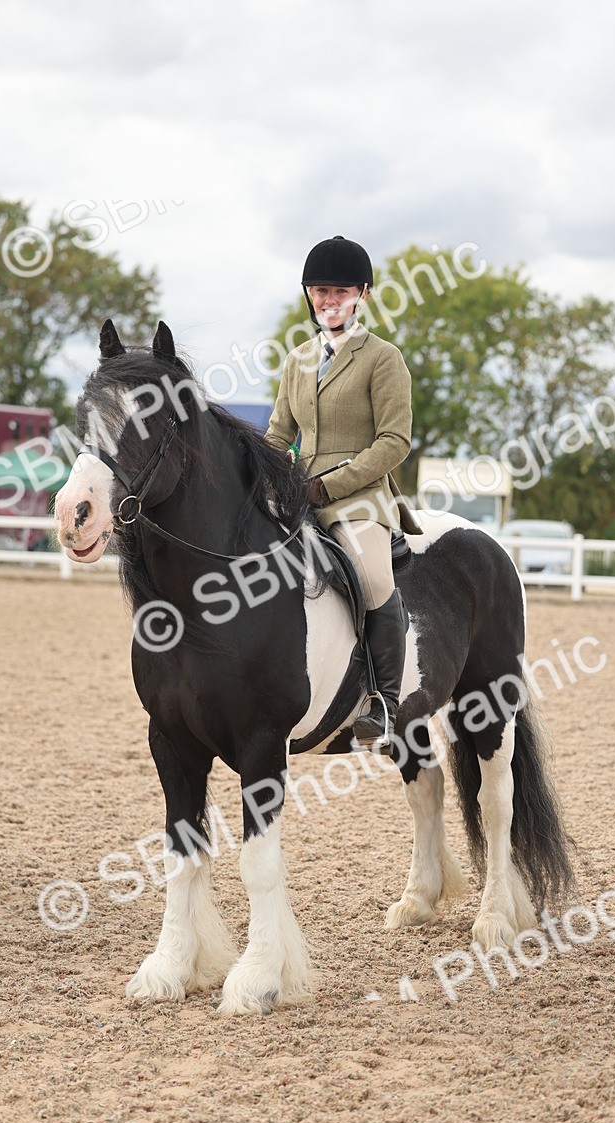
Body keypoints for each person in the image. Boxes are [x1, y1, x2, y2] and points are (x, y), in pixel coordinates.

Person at [266, 235, 422, 750]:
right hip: (297, 490)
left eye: (339, 291)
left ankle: (384, 699)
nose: (328, 301)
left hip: (359, 496)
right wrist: (262, 476)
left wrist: (329, 485)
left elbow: (395, 440)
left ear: (363, 295)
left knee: (374, 578)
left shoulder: (383, 358)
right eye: (319, 291)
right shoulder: (297, 360)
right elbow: (277, 435)